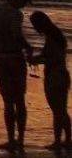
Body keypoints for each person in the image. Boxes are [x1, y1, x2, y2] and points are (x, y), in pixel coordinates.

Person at [0, 0, 33, 151]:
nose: (24, 6)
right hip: (14, 57)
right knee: (19, 99)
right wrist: (28, 47)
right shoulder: (15, 14)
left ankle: (11, 138)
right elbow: (16, 35)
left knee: (7, 101)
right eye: (24, 2)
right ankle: (20, 139)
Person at [31, 11, 71, 151]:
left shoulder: (52, 37)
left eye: (35, 25)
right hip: (61, 74)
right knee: (61, 110)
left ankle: (58, 141)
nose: (35, 29)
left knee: (57, 110)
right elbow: (51, 56)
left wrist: (36, 59)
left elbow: (53, 58)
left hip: (55, 76)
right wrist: (39, 57)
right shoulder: (55, 35)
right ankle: (67, 140)